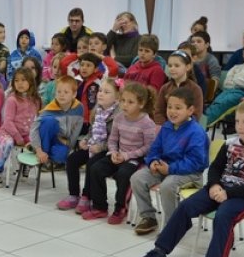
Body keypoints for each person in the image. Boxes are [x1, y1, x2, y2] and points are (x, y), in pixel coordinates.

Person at [133, 98, 244, 257]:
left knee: (223, 216)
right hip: (218, 188)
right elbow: (215, 168)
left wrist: (228, 193)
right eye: (237, 121)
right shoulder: (230, 144)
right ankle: (160, 251)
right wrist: (215, 185)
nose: (239, 126)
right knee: (186, 206)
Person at [131, 87, 209, 236]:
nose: (172, 111)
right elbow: (155, 148)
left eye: (178, 108)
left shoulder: (196, 132)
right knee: (137, 178)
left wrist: (170, 169)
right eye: (170, 107)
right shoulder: (167, 127)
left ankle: (173, 225)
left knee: (167, 186)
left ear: (190, 110)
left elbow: (196, 162)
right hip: (165, 168)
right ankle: (148, 217)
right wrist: (153, 161)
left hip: (190, 173)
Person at [87, 82, 158, 224]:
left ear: (141, 104)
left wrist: (127, 156)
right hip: (118, 153)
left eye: (130, 102)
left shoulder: (147, 123)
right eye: (123, 100)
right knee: (95, 169)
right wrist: (113, 152)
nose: (125, 105)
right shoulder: (119, 118)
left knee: (123, 174)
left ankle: (120, 208)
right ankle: (100, 207)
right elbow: (113, 139)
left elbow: (148, 148)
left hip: (136, 158)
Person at [58, 78, 119, 214]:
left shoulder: (118, 114)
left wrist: (100, 147)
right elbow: (92, 130)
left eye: (107, 92)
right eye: (100, 91)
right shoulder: (97, 110)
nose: (101, 94)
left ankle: (87, 196)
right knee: (72, 159)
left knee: (92, 164)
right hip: (93, 145)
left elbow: (115, 139)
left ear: (117, 97)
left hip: (108, 149)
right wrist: (85, 140)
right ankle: (74, 194)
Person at [0, 68, 41, 187]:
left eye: (23, 80)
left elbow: (37, 119)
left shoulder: (36, 100)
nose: (20, 83)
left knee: (37, 144)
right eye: (17, 80)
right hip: (8, 132)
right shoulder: (12, 99)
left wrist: (33, 136)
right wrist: (18, 137)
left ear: (31, 82)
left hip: (26, 133)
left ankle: (26, 166)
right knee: (7, 144)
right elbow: (8, 122)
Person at [30, 75, 85, 168]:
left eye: (66, 92)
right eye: (58, 91)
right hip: (46, 139)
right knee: (49, 121)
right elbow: (34, 129)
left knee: (61, 155)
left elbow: (76, 130)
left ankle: (45, 156)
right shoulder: (49, 109)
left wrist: (69, 145)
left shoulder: (79, 108)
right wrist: (39, 150)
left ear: (74, 94)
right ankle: (41, 153)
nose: (61, 95)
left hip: (61, 141)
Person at [205, 39, 244, 122]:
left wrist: (236, 80)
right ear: (243, 53)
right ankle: (204, 118)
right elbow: (226, 84)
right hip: (227, 91)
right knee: (216, 102)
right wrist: (243, 81)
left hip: (243, 95)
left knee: (223, 104)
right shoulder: (236, 67)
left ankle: (205, 121)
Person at [154, 50, 204, 125]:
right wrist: (164, 126)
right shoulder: (165, 88)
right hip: (167, 127)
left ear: (187, 67)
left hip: (187, 128)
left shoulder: (195, 89)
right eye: (170, 65)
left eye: (177, 66)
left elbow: (196, 114)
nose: (172, 68)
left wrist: (181, 127)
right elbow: (159, 111)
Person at [189, 31, 222, 95]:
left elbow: (215, 80)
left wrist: (207, 97)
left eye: (199, 41)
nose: (195, 44)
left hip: (205, 93)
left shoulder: (212, 60)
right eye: (192, 42)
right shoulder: (188, 58)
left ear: (207, 45)